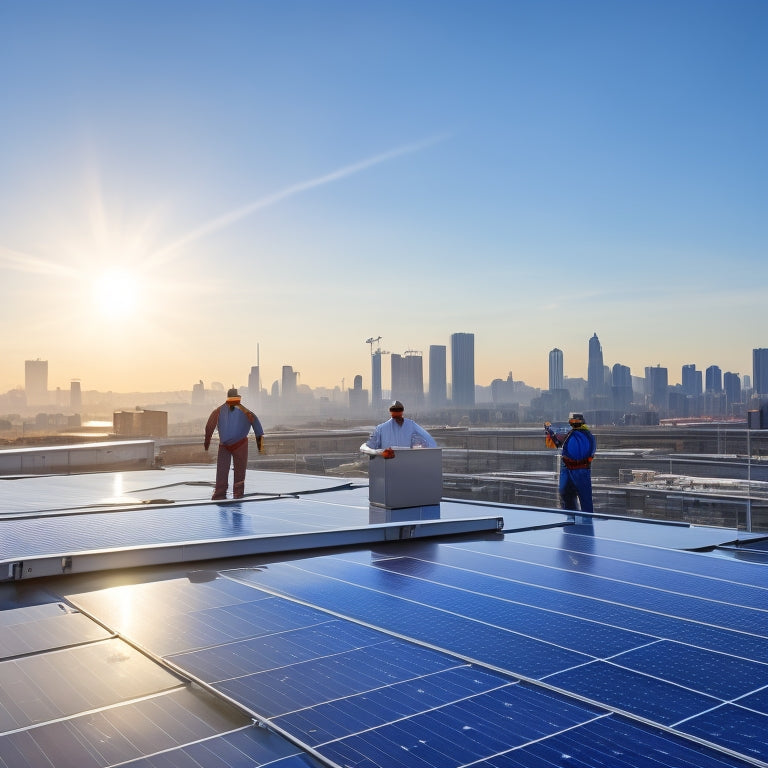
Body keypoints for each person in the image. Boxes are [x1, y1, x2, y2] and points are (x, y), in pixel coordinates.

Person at [204, 387, 265, 500]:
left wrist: (207, 442)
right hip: (237, 445)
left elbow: (209, 427)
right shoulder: (245, 411)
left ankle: (220, 493)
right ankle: (237, 493)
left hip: (227, 445)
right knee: (238, 471)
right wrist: (260, 447)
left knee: (223, 470)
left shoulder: (219, 411)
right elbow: (257, 427)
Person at [544, 412, 597, 512]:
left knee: (579, 496)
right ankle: (574, 518)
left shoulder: (580, 434)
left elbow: (557, 443)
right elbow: (556, 443)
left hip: (578, 469)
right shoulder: (576, 434)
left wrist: (549, 432)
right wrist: (549, 432)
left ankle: (581, 520)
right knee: (568, 494)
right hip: (572, 468)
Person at [360, 400, 437, 458]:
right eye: (394, 410)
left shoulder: (411, 425)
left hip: (407, 465)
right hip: (387, 467)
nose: (397, 412)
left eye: (398, 410)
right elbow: (365, 448)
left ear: (402, 411)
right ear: (390, 411)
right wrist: (380, 453)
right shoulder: (381, 429)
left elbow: (429, 442)